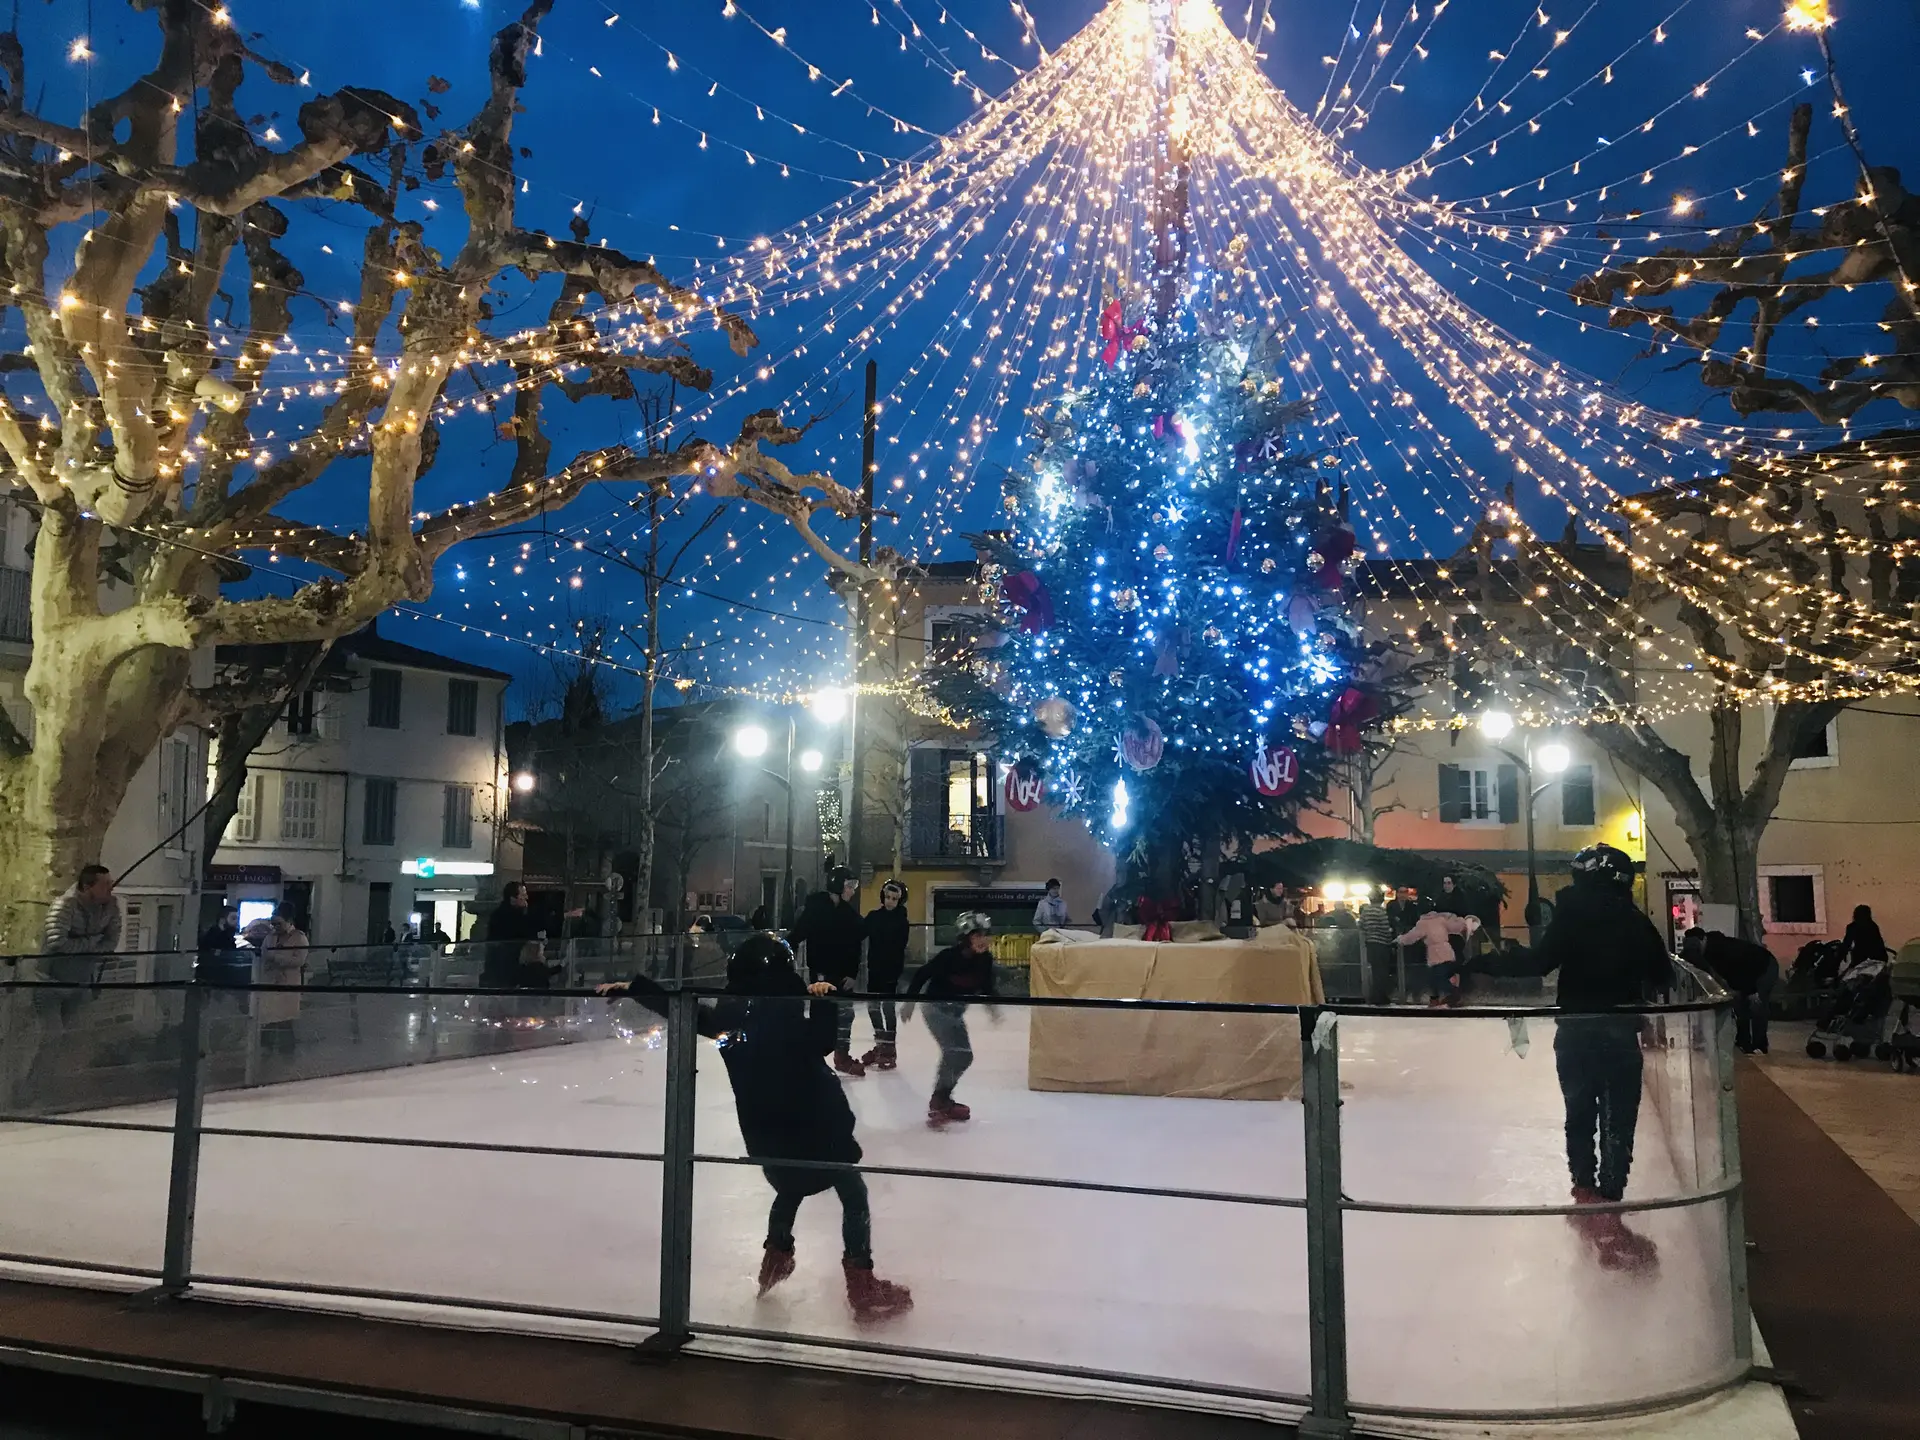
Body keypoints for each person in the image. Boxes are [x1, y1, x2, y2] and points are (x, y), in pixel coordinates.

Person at [597, 934, 912, 1321]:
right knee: (853, 1193)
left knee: (789, 1187)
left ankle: (776, 1255)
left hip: (766, 1135)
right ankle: (861, 1283)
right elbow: (823, 1040)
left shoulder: (727, 1023)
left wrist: (636, 988)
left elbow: (681, 1010)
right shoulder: (785, 1018)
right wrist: (823, 999)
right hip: (816, 1131)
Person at [1530, 843, 1673, 1272]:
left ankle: (1584, 1192)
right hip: (1617, 1034)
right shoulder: (1633, 920)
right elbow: (1662, 973)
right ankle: (1609, 1207)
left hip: (1574, 1032)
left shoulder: (1570, 915)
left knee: (1579, 1113)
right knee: (1617, 1121)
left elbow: (1539, 961)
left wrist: (1480, 963)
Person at [904, 911, 1000, 1128]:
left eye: (986, 935)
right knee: (955, 1053)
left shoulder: (985, 960)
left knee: (964, 1056)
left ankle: (943, 1097)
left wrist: (993, 1008)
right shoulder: (950, 956)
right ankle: (939, 1101)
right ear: (965, 938)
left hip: (955, 1012)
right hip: (935, 1008)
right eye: (977, 935)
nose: (983, 940)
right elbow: (922, 974)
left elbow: (987, 986)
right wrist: (909, 1002)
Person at [790, 865, 867, 1077]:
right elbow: (797, 934)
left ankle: (841, 1056)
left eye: (853, 886)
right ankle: (812, 1060)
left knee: (846, 1014)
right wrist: (782, 952)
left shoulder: (848, 913)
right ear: (838, 886)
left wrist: (852, 973)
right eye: (849, 886)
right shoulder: (816, 909)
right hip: (821, 973)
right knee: (823, 1018)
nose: (852, 891)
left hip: (843, 975)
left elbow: (855, 944)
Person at [1681, 926, 1779, 1054]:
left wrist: (1752, 991)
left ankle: (1759, 1045)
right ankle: (1743, 1040)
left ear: (1703, 940)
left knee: (1757, 1005)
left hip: (1764, 967)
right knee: (1741, 1005)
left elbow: (1743, 968)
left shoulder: (1723, 949)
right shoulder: (1708, 950)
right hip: (1750, 971)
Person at [859, 879, 911, 1071]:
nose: (890, 901)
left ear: (899, 901)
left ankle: (889, 1048)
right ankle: (881, 1043)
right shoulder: (874, 917)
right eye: (888, 897)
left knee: (888, 1008)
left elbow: (898, 947)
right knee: (873, 1006)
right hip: (874, 969)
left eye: (894, 899)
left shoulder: (902, 921)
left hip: (891, 971)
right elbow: (859, 932)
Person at [242, 905, 309, 1053]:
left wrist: (276, 957)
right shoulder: (270, 937)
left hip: (288, 985)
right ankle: (266, 1051)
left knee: (285, 1021)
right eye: (273, 924)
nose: (275, 927)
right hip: (269, 983)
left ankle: (287, 1052)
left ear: (289, 921)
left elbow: (299, 961)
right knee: (267, 1019)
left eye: (279, 923)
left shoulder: (299, 938)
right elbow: (264, 955)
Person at [1395, 908, 1480, 1007]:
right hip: (1447, 951)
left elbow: (1412, 936)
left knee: (1437, 978)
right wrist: (1464, 923)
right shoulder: (1440, 919)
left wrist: (1400, 939)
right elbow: (1454, 927)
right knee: (1437, 976)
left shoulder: (1422, 923)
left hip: (1435, 954)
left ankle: (1453, 993)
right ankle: (1436, 999)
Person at [483, 883, 541, 987]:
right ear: (513, 898)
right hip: (503, 968)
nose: (526, 897)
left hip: (504, 966)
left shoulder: (504, 913)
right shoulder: (506, 916)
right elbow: (524, 932)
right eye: (523, 895)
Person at [1355, 889, 1396, 1004]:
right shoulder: (1381, 911)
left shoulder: (1366, 911)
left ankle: (1375, 996)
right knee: (1382, 972)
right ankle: (1380, 997)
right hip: (1382, 944)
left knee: (1375, 971)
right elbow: (1385, 928)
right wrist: (1390, 940)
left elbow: (1360, 925)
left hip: (1370, 944)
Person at [196, 907, 246, 987]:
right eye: (233, 918)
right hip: (214, 980)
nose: (236, 922)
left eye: (237, 918)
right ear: (222, 920)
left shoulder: (228, 936)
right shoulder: (212, 937)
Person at [1842, 904, 1888, 971]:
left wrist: (1841, 955)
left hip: (1861, 960)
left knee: (1848, 974)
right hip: (1879, 959)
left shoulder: (1852, 927)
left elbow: (1846, 944)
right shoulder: (1873, 926)